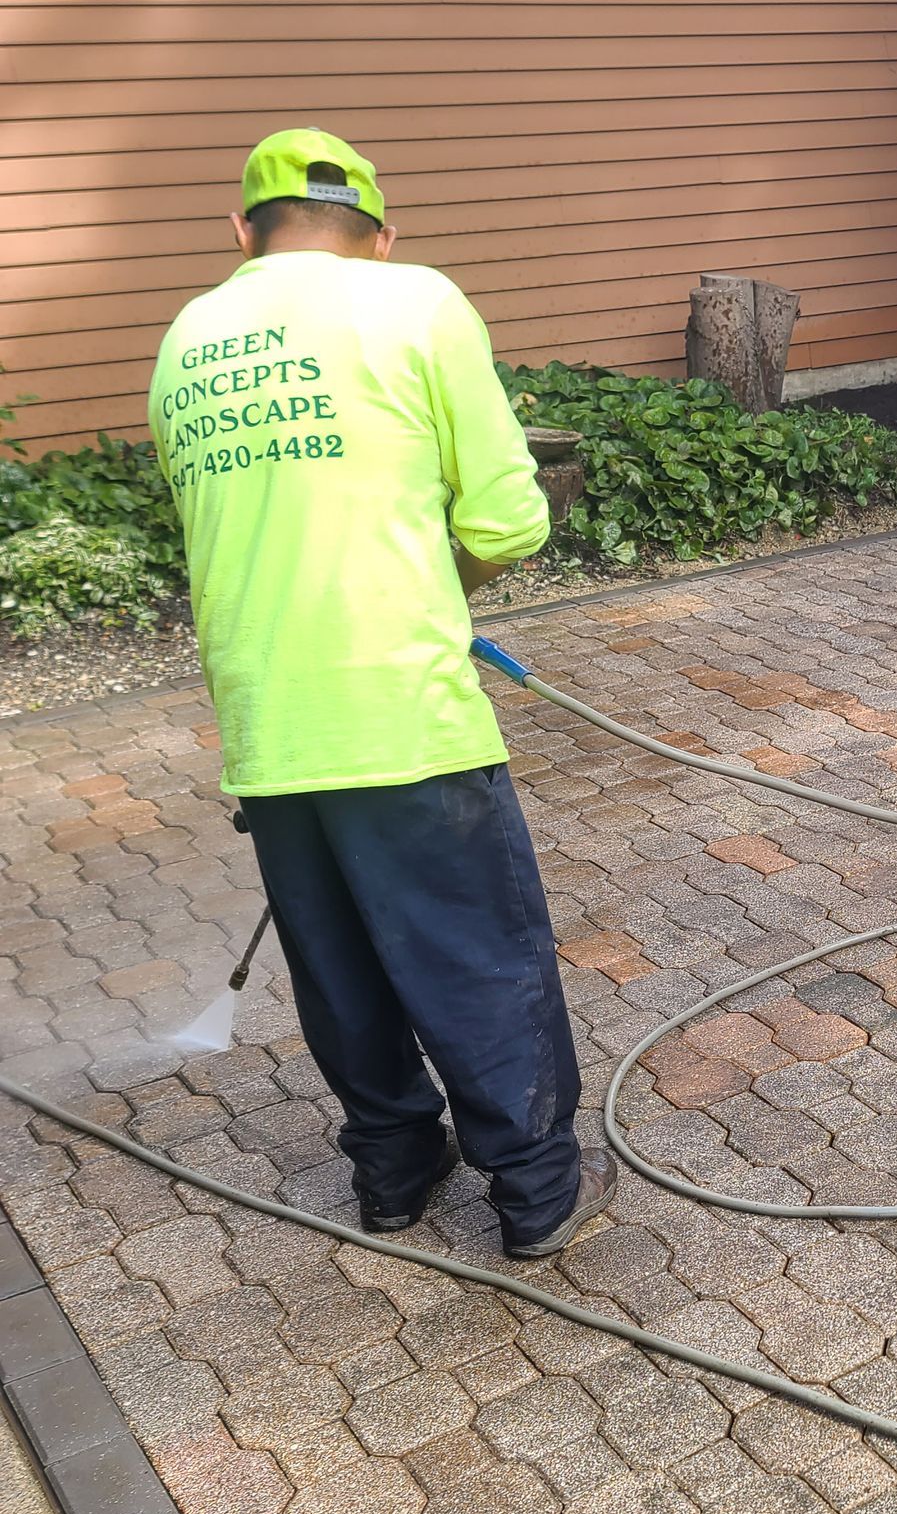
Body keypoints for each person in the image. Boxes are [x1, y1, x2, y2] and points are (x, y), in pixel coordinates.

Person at [147, 128, 615, 1258]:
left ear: (240, 231)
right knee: (476, 954)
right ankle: (538, 1190)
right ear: (381, 237)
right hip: (401, 710)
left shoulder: (185, 340)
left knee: (340, 963)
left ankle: (395, 1171)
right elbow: (510, 519)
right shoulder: (416, 303)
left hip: (267, 722)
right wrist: (432, 593)